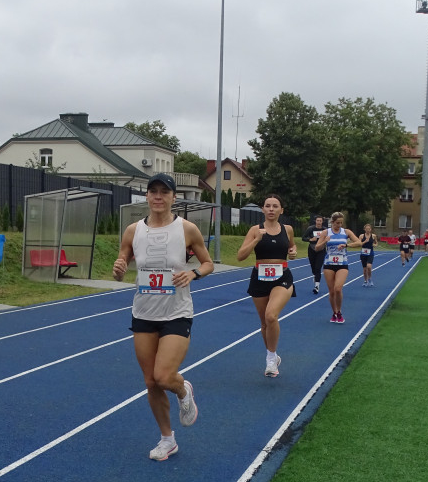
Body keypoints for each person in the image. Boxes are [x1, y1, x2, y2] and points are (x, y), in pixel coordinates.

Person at [113, 172, 213, 461]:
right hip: (143, 312)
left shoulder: (187, 229)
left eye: (164, 192)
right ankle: (167, 439)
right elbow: (120, 266)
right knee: (150, 382)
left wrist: (192, 272)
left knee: (164, 376)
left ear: (173, 197)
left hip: (176, 312)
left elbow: (207, 263)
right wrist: (118, 270)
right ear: (146, 196)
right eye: (153, 191)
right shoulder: (133, 231)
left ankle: (183, 390)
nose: (158, 196)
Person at [237, 195, 298, 377]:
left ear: (281, 210)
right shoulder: (255, 229)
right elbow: (240, 256)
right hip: (259, 277)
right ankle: (273, 355)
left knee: (271, 315)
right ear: (263, 209)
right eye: (268, 206)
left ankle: (270, 359)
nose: (271, 209)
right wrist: (256, 240)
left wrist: (293, 252)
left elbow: (292, 247)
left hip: (282, 277)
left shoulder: (288, 229)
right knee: (264, 323)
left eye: (275, 206)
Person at [315, 212, 362, 324]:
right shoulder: (326, 232)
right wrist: (324, 242)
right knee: (331, 292)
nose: (339, 225)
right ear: (332, 222)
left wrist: (347, 245)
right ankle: (334, 312)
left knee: (338, 288)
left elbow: (359, 242)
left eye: (341, 223)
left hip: (342, 263)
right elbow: (317, 248)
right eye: (337, 223)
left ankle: (339, 311)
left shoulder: (346, 232)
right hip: (329, 264)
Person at [301, 215, 326, 294]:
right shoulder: (310, 229)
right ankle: (315, 276)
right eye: (317, 220)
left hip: (321, 250)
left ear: (322, 222)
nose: (319, 222)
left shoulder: (325, 230)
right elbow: (303, 238)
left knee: (318, 267)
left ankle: (316, 286)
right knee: (313, 267)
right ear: (315, 221)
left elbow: (329, 238)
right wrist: (310, 239)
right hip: (312, 249)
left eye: (320, 221)